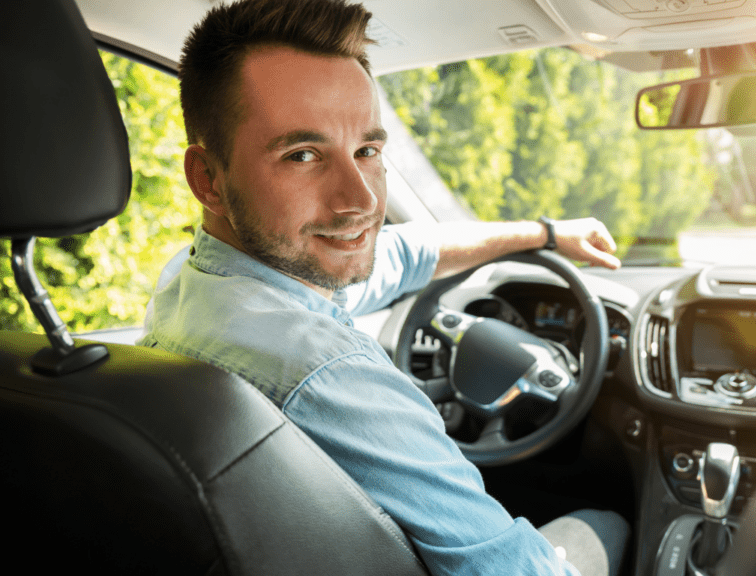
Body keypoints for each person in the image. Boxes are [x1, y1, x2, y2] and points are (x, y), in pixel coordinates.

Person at [138, 1, 629, 575]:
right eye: (303, 155)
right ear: (208, 180)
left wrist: (545, 233)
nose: (363, 200)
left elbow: (400, 255)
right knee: (605, 525)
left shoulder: (193, 280)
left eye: (367, 151)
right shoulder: (330, 374)